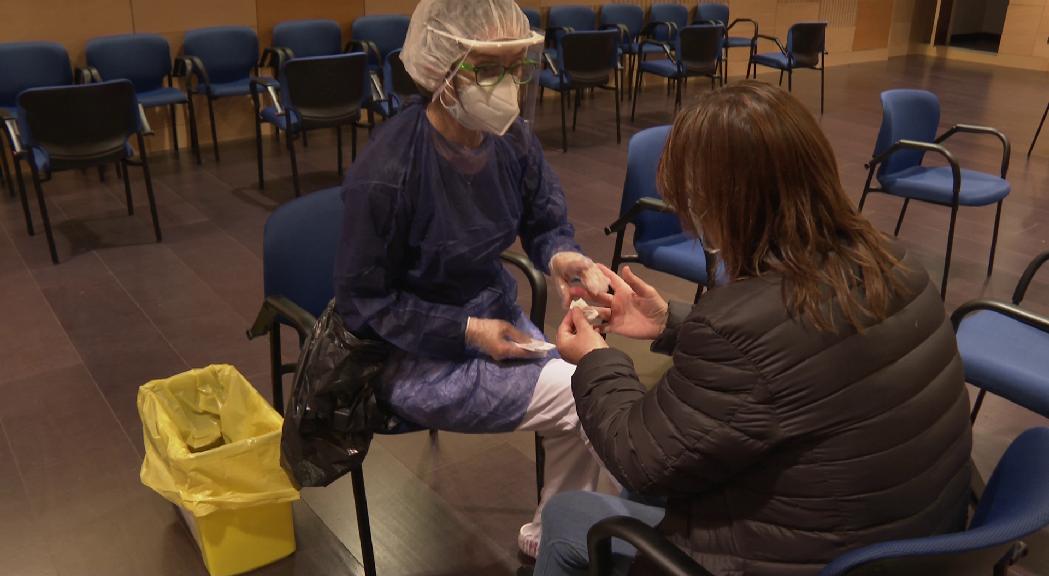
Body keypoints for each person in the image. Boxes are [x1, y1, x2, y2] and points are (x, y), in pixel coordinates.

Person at [537, 82, 973, 575]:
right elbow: (791, 364)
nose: (688, 218)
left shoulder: (741, 325)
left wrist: (595, 358)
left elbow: (636, 456)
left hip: (808, 556)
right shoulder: (896, 263)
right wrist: (671, 322)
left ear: (722, 203)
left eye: (692, 201)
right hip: (919, 539)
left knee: (571, 514)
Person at [334, 0, 610, 558]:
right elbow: (363, 303)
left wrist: (560, 257)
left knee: (595, 386)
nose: (506, 85)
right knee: (590, 396)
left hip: (492, 321)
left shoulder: (508, 140)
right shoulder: (390, 172)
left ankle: (557, 532)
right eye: (489, 70)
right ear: (439, 70)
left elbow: (544, 217)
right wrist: (466, 331)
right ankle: (560, 539)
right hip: (411, 352)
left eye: (515, 68)